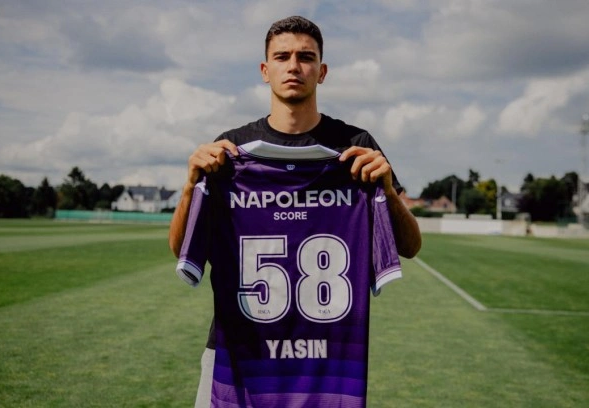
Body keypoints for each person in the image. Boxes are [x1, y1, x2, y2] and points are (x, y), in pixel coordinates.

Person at [168, 15, 422, 407]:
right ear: (265, 70)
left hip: (325, 356)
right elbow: (181, 249)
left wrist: (387, 191)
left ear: (322, 71)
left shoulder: (354, 147)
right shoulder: (230, 150)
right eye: (282, 56)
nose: (294, 66)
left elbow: (410, 247)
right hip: (238, 350)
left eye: (305, 57)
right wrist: (190, 186)